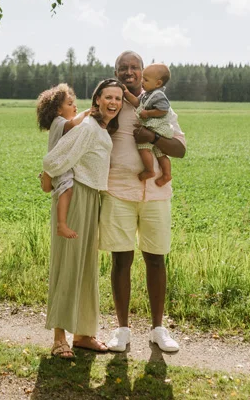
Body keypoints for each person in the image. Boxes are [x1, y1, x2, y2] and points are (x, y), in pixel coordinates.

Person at [102, 52, 187, 354]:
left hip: (156, 196)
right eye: (122, 68)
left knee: (156, 258)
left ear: (142, 74)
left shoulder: (160, 105)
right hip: (118, 192)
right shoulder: (110, 104)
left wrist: (153, 135)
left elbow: (179, 150)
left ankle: (158, 330)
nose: (129, 72)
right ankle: (122, 330)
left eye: (134, 68)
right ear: (116, 72)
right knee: (121, 259)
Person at [39, 78, 124, 359]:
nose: (114, 102)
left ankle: (84, 334)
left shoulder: (98, 126)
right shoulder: (87, 127)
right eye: (108, 97)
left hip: (92, 198)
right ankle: (59, 338)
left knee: (86, 267)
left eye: (118, 99)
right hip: (77, 200)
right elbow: (54, 159)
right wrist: (48, 179)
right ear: (97, 99)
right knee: (69, 264)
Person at [35, 83, 92, 238]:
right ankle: (62, 225)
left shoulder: (60, 124)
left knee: (61, 189)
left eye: (74, 103)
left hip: (60, 165)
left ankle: (45, 180)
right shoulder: (59, 122)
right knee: (66, 189)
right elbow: (73, 123)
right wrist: (87, 113)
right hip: (60, 167)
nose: (75, 106)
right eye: (69, 104)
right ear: (58, 110)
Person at [121, 63, 176, 186]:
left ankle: (149, 170)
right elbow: (136, 103)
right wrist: (126, 93)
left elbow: (163, 110)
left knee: (143, 147)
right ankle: (166, 175)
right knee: (160, 153)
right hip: (158, 129)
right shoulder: (146, 95)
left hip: (158, 127)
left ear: (158, 83)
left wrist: (148, 113)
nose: (142, 82)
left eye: (145, 80)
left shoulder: (159, 96)